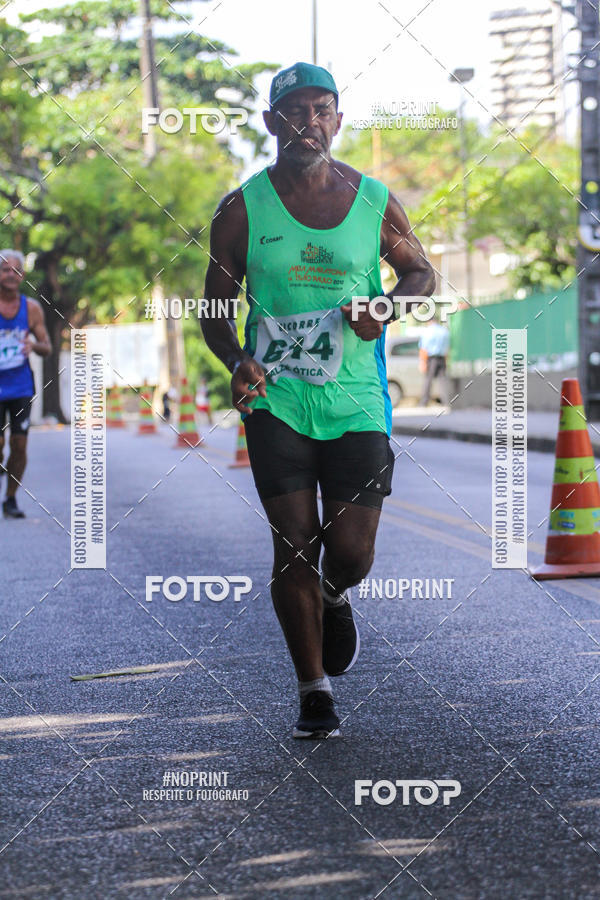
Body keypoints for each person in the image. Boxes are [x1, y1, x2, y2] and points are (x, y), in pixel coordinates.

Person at [202, 63, 435, 738]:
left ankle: (335, 594)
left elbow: (421, 272)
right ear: (271, 122)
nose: (309, 121)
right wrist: (236, 361)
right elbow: (214, 311)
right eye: (294, 110)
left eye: (321, 109)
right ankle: (314, 691)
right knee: (294, 546)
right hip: (277, 401)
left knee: (353, 553)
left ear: (337, 119)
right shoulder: (241, 208)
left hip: (356, 400)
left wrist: (385, 308)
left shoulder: (372, 200)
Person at [0, 250, 51, 518]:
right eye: (5, 270)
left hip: (20, 386)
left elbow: (47, 347)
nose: (11, 275)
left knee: (19, 445)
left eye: (16, 270)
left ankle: (10, 499)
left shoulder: (31, 308)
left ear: (22, 275)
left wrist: (33, 345)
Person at [419, 315, 450, 408]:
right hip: (442, 357)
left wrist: (423, 362)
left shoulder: (428, 331)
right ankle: (446, 401)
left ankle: (424, 402)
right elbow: (447, 347)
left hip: (431, 358)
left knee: (428, 380)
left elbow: (423, 348)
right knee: (443, 381)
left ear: (429, 321)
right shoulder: (444, 331)